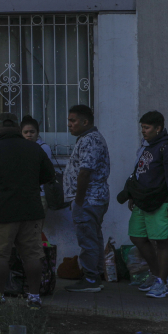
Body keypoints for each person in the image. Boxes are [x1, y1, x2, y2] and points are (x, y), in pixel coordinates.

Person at [0, 113, 55, 308]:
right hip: (30, 211)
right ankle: (34, 297)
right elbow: (49, 175)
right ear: (18, 129)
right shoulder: (34, 149)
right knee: (32, 255)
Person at [117, 111, 168, 299]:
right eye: (142, 128)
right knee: (137, 237)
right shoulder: (146, 147)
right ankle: (157, 276)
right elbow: (140, 174)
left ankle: (162, 284)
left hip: (162, 203)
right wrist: (133, 195)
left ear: (158, 128)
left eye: (146, 128)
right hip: (143, 202)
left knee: (163, 242)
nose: (143, 131)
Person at [64, 104, 111, 292]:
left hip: (89, 199)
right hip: (93, 198)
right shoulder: (86, 139)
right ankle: (96, 276)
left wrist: (78, 200)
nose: (69, 125)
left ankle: (91, 279)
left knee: (87, 239)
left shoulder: (90, 140)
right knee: (94, 237)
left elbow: (84, 172)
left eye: (73, 121)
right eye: (69, 121)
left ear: (85, 122)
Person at [21, 115, 53, 209]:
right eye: (25, 132)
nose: (29, 135)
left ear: (37, 133)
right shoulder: (20, 148)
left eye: (32, 132)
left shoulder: (43, 148)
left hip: (40, 194)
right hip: (23, 194)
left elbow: (47, 172)